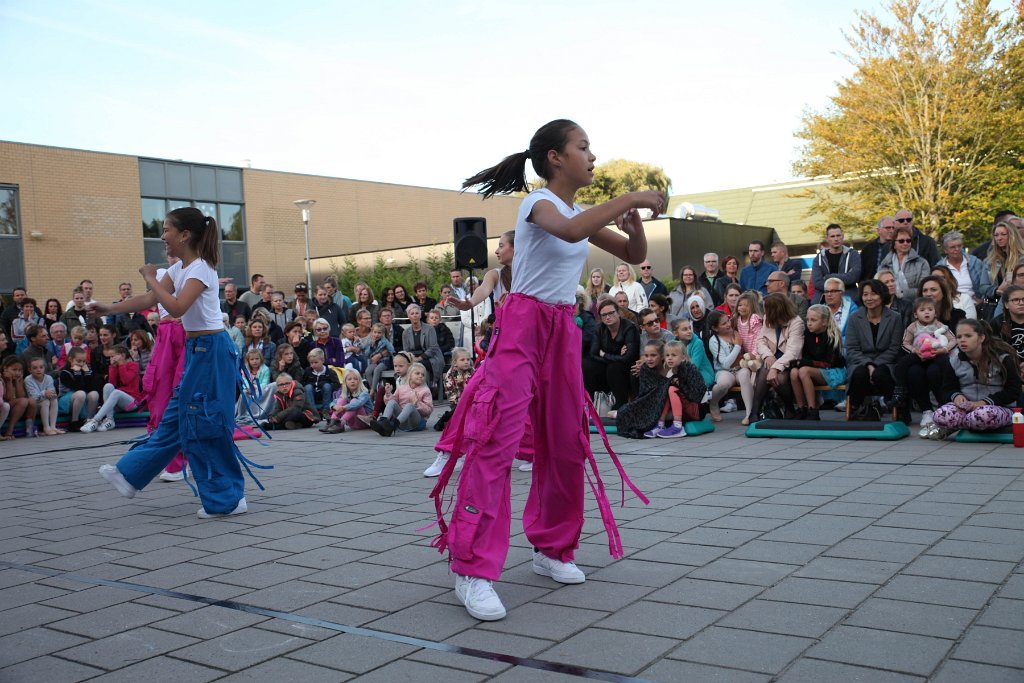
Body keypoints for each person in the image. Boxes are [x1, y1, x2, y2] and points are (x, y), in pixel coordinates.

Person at [429, 119, 659, 622]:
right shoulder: (538, 203)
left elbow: (633, 254)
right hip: (522, 326)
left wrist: (636, 226)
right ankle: (471, 569)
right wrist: (633, 197)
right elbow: (572, 230)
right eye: (584, 147)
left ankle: (552, 548)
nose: (593, 155)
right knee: (497, 443)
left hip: (562, 330)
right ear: (556, 158)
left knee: (564, 442)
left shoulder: (578, 210)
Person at [93, 207, 256, 519]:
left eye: (167, 229)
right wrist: (107, 308)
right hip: (198, 350)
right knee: (178, 416)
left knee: (203, 423)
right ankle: (130, 475)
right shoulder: (181, 268)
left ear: (184, 235)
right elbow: (147, 300)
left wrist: (149, 277)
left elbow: (177, 308)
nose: (162, 236)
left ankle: (228, 499)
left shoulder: (201, 269)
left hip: (212, 350)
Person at [928, 319, 1022, 439]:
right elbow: (947, 388)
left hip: (997, 408)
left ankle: (958, 426)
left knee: (982, 416)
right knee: (940, 415)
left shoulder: (1002, 359)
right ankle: (970, 424)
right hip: (967, 409)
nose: (962, 340)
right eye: (959, 336)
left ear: (981, 338)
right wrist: (956, 396)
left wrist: (984, 402)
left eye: (968, 336)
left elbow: (1013, 390)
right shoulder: (954, 361)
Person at [891, 297, 956, 426]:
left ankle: (944, 407)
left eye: (930, 310)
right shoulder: (912, 327)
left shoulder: (939, 326)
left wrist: (944, 349)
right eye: (922, 310)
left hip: (936, 354)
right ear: (915, 314)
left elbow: (953, 340)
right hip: (919, 355)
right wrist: (914, 350)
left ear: (935, 313)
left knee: (942, 364)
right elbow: (905, 343)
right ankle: (900, 391)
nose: (927, 312)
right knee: (904, 363)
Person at [844, 280, 903, 421]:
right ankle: (856, 408)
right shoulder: (854, 318)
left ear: (882, 296)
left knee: (881, 374)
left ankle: (895, 407)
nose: (869, 298)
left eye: (873, 294)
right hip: (860, 361)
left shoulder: (895, 318)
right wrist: (869, 364)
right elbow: (851, 349)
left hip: (886, 361)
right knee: (860, 373)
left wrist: (875, 365)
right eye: (865, 294)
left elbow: (895, 348)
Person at [750, 293, 805, 421]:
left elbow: (793, 352)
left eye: (767, 310)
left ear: (776, 310)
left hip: (789, 362)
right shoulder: (767, 319)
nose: (764, 313)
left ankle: (789, 408)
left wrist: (775, 368)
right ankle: (755, 412)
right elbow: (760, 341)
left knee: (778, 378)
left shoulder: (796, 322)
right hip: (771, 359)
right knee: (764, 371)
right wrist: (768, 356)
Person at [791, 304, 846, 420]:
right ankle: (802, 408)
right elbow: (805, 357)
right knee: (794, 372)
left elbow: (829, 363)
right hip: (814, 370)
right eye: (807, 320)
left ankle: (813, 410)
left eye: (813, 320)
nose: (809, 323)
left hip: (833, 371)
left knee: (803, 371)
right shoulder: (807, 334)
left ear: (824, 322)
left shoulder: (832, 336)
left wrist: (806, 363)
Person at [584, 299, 641, 413]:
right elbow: (593, 353)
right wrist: (615, 355)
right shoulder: (599, 329)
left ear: (618, 312)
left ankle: (620, 404)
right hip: (608, 364)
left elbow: (629, 357)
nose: (608, 317)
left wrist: (604, 354)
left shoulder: (630, 327)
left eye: (611, 313)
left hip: (626, 367)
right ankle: (589, 403)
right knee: (586, 364)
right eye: (604, 315)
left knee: (614, 367)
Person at [645, 340, 706, 438]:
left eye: (673, 355)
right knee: (666, 389)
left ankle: (678, 427)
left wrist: (679, 385)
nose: (669, 358)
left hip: (697, 409)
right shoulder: (671, 372)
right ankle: (660, 425)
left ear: (683, 357)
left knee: (672, 389)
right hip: (684, 408)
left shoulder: (689, 369)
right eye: (667, 355)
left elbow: (698, 393)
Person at [81, 345, 144, 433]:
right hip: (118, 403)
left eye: (113, 356)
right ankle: (110, 420)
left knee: (116, 392)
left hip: (132, 402)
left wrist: (121, 364)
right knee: (108, 386)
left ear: (122, 355)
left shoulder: (133, 365)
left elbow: (125, 380)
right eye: (110, 357)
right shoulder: (115, 366)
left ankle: (94, 420)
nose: (111, 358)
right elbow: (112, 383)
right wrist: (113, 367)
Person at [706, 309, 754, 423]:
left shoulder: (735, 333)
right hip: (724, 370)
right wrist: (737, 346)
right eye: (723, 323)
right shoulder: (714, 341)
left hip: (740, 367)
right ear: (715, 328)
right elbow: (726, 364)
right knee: (723, 383)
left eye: (728, 320)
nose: (728, 324)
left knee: (745, 375)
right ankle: (713, 403)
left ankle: (749, 414)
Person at [614, 340, 669, 438]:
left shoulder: (670, 367)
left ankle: (615, 414)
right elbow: (645, 393)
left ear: (662, 356)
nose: (649, 359)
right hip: (648, 403)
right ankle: (615, 413)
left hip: (666, 405)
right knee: (624, 411)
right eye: (646, 356)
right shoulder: (645, 369)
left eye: (653, 355)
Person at [368, 361, 433, 436]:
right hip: (402, 422)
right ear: (410, 375)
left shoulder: (425, 390)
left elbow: (429, 410)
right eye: (417, 373)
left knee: (409, 405)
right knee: (392, 402)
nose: (421, 376)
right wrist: (388, 394)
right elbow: (390, 403)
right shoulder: (402, 388)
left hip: (416, 423)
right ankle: (383, 423)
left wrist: (417, 403)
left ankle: (393, 426)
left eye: (423, 375)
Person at [937, 231, 989, 320]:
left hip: (976, 303)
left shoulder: (975, 262)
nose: (957, 249)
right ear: (945, 250)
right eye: (952, 247)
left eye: (959, 246)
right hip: (951, 304)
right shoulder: (940, 268)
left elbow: (986, 284)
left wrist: (982, 299)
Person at [879, 224, 931, 302]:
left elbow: (924, 289)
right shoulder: (884, 264)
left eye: (908, 240)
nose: (905, 243)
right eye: (901, 241)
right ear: (894, 244)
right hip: (891, 305)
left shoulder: (921, 263)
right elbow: (879, 287)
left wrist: (901, 293)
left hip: (916, 305)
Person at [811, 224, 862, 302]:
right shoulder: (819, 258)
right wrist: (840, 284)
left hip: (848, 299)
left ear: (843, 236)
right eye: (832, 236)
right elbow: (817, 282)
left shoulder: (853, 254)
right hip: (823, 300)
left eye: (838, 235)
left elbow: (853, 277)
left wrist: (829, 277)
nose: (836, 239)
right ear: (827, 238)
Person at [430, 347, 474, 438]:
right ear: (455, 362)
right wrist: (458, 401)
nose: (466, 362)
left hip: (471, 399)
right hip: (457, 400)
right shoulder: (450, 374)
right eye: (462, 360)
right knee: (458, 413)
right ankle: (445, 419)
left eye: (468, 359)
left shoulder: (472, 371)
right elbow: (450, 391)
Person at [403, 303, 444, 392]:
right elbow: (406, 350)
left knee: (420, 366)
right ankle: (408, 392)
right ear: (408, 316)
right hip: (413, 357)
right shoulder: (406, 332)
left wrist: (420, 358)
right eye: (412, 313)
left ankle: (424, 392)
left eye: (417, 313)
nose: (414, 315)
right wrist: (412, 358)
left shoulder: (429, 329)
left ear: (420, 315)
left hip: (432, 357)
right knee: (406, 366)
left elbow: (433, 348)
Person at [57, 346, 100, 431]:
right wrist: (77, 373)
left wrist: (87, 373)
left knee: (94, 394)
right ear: (70, 360)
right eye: (79, 361)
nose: (81, 364)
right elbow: (78, 387)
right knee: (81, 393)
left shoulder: (84, 370)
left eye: (84, 361)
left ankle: (88, 420)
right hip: (65, 401)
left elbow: (90, 388)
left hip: (81, 398)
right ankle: (74, 421)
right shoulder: (65, 373)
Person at [320, 368, 372, 433]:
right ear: (345, 382)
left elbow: (358, 404)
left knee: (354, 401)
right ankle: (333, 422)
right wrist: (334, 406)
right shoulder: (344, 393)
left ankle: (340, 423)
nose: (352, 381)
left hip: (364, 422)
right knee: (341, 400)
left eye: (355, 379)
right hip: (352, 424)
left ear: (359, 381)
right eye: (349, 379)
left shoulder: (364, 393)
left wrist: (343, 408)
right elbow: (333, 402)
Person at [25, 357, 62, 436]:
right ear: (30, 370)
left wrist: (49, 394)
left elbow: (52, 392)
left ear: (44, 368)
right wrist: (44, 393)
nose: (38, 370)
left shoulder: (48, 378)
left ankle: (53, 426)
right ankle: (46, 427)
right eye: (35, 368)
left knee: (53, 399)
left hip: (46, 403)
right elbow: (34, 397)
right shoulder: (28, 380)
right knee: (45, 401)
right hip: (35, 406)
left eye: (41, 367)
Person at [1, 357, 34, 438]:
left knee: (30, 401)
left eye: (19, 370)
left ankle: (29, 428)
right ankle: (9, 430)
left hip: (16, 405)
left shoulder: (18, 378)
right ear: (5, 368)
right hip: (5, 405)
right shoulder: (2, 379)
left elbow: (21, 396)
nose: (17, 373)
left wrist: (18, 382)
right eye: (14, 370)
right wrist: (9, 382)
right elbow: (9, 398)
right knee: (23, 401)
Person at [301, 347, 336, 418]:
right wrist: (313, 384)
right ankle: (313, 411)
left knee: (327, 386)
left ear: (323, 360)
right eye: (311, 363)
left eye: (316, 362)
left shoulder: (329, 372)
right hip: (312, 394)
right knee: (308, 387)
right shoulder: (308, 371)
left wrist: (323, 384)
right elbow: (303, 382)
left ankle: (326, 410)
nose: (313, 365)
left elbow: (336, 384)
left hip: (325, 393)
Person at [859, 216, 895, 282]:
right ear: (879, 230)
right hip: (872, 287)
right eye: (888, 228)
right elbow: (861, 272)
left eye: (893, 228)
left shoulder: (899, 247)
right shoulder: (867, 250)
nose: (891, 231)